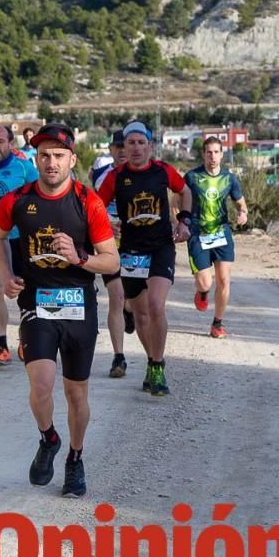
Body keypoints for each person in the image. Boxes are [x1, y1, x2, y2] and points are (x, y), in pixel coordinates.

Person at [0, 123, 119, 498]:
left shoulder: (87, 202)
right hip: (38, 305)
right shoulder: (17, 200)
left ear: (72, 160)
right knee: (41, 385)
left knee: (76, 394)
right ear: (35, 158)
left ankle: (75, 460)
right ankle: (49, 438)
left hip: (79, 307)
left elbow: (111, 263)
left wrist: (80, 256)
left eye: (58, 156)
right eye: (44, 155)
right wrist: (8, 274)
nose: (50, 162)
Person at [97, 121, 188, 396]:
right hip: (131, 252)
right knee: (140, 315)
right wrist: (106, 225)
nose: (135, 148)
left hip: (161, 247)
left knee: (157, 306)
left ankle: (158, 366)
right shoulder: (115, 177)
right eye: (130, 143)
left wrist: (185, 221)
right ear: (123, 147)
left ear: (150, 146)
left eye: (140, 143)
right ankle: (151, 360)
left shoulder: (163, 171)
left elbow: (184, 191)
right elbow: (96, 207)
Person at [0, 126, 39, 365]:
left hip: (20, 237)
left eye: (1, 141)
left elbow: (40, 194)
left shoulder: (24, 168)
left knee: (24, 289)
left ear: (10, 143)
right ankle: (2, 345)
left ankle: (26, 338)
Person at [180, 136, 249, 338]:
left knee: (224, 280)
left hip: (221, 233)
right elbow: (177, 199)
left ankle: (217, 324)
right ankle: (202, 293)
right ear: (203, 154)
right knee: (205, 283)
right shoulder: (192, 177)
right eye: (209, 152)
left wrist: (243, 213)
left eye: (216, 152)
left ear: (222, 154)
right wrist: (179, 222)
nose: (212, 156)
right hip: (197, 235)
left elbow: (240, 202)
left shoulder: (229, 178)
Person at [93, 130, 133, 378]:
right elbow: (93, 209)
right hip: (110, 244)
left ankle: (131, 309)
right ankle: (119, 357)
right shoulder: (101, 176)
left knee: (132, 300)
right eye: (116, 146)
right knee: (116, 297)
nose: (120, 151)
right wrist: (106, 223)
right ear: (110, 149)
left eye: (124, 146)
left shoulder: (143, 176)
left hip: (137, 244)